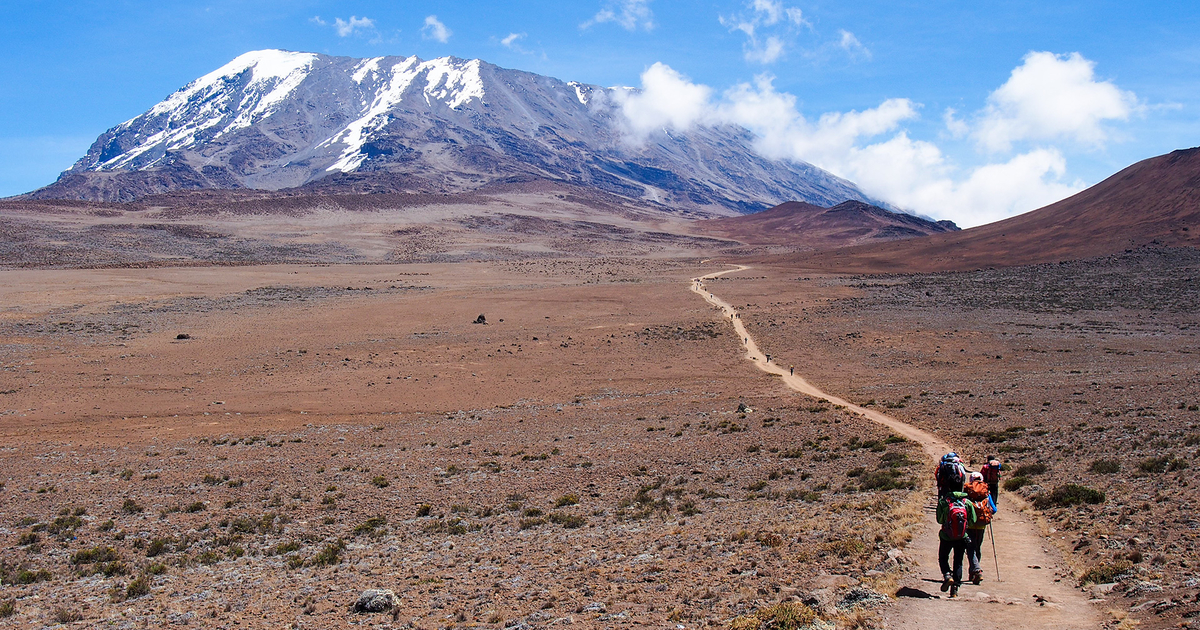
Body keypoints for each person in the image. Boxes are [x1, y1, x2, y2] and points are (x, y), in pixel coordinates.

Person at [936, 489, 977, 597]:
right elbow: (973, 520)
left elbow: (939, 520)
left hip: (946, 536)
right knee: (958, 561)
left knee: (943, 557)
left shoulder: (944, 502)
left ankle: (947, 575)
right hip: (962, 536)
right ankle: (955, 588)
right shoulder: (966, 502)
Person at [962, 471, 996, 584]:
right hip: (981, 525)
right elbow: (994, 509)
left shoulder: (967, 490)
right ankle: (973, 572)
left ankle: (976, 570)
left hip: (969, 524)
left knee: (970, 548)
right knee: (977, 547)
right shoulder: (986, 492)